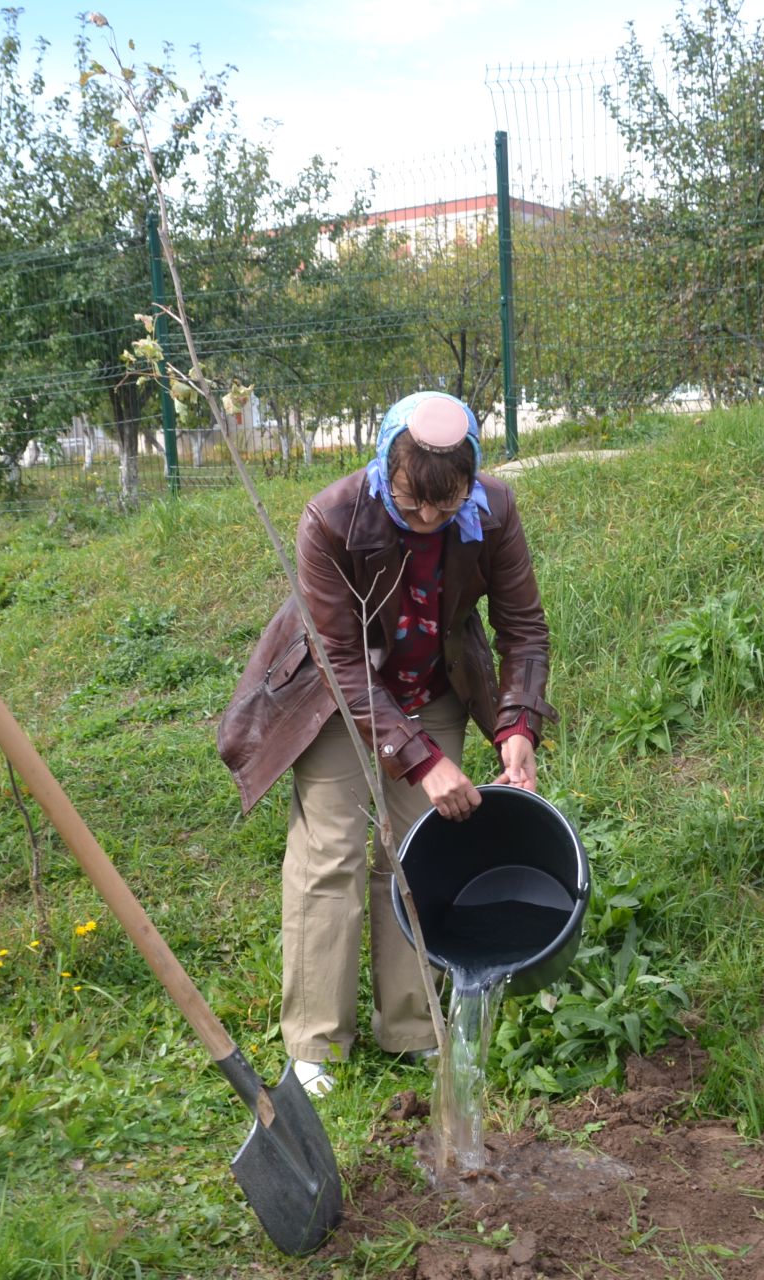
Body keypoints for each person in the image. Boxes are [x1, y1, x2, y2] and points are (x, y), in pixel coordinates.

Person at [217, 390, 554, 1096]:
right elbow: (339, 661)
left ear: (471, 479)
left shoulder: (494, 511)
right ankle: (316, 1044)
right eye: (411, 505)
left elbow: (523, 628)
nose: (429, 519)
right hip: (334, 694)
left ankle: (410, 1025)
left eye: (446, 506)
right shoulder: (332, 517)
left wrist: (517, 725)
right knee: (331, 852)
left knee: (421, 847)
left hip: (431, 683)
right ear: (383, 466)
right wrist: (424, 761)